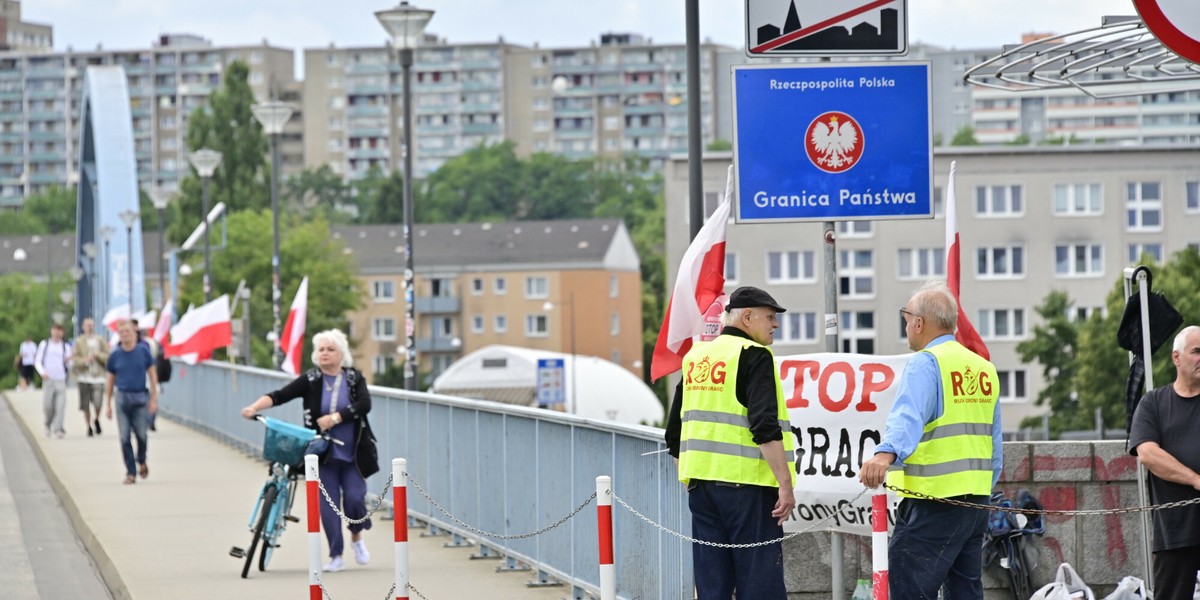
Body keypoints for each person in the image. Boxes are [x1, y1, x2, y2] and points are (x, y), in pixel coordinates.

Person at [858, 280, 1002, 599]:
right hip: (976, 501)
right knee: (965, 590)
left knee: (909, 588)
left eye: (906, 318)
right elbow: (995, 445)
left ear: (920, 323)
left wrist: (885, 454)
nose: (907, 325)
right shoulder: (983, 368)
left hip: (934, 502)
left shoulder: (926, 363)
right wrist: (984, 490)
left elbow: (907, 417)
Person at [663, 286, 796, 599]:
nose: (775, 324)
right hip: (747, 490)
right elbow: (764, 426)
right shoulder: (754, 356)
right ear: (746, 317)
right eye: (770, 317)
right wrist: (785, 485)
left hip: (701, 489)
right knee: (759, 584)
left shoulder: (696, 356)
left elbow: (674, 433)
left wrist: (690, 476)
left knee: (712, 586)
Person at [240, 329, 379, 573]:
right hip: (322, 455)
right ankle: (336, 554)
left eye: (330, 349)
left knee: (355, 499)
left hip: (353, 454)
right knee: (327, 506)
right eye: (321, 349)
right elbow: (281, 395)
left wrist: (337, 417)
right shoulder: (311, 379)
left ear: (341, 354)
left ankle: (356, 537)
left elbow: (364, 404)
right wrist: (253, 407)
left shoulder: (353, 378)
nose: (324, 353)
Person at [1129, 325, 1200, 600]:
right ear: (1176, 358)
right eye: (1196, 352)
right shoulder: (1153, 403)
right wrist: (1195, 480)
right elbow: (1148, 453)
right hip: (1175, 531)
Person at [105, 319, 158, 484]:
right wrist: (107, 403)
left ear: (134, 332)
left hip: (140, 397)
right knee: (124, 437)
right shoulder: (115, 355)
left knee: (142, 435)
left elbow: (152, 374)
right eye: (121, 332)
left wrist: (154, 399)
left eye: (127, 331)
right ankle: (131, 472)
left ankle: (141, 460)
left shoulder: (143, 352)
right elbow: (110, 379)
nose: (125, 334)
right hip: (122, 397)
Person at [72, 318, 110, 437]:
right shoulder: (79, 341)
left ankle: (97, 419)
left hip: (98, 376)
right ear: (83, 326)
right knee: (85, 404)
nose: (90, 327)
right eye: (87, 325)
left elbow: (108, 356)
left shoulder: (100, 340)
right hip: (84, 376)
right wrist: (85, 361)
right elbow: (75, 359)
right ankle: (88, 426)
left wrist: (97, 355)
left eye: (91, 325)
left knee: (98, 402)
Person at [35, 323, 72, 438]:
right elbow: (38, 361)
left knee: (60, 405)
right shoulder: (45, 345)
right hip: (49, 379)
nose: (57, 333)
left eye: (59, 330)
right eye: (55, 330)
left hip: (60, 378)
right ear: (51, 331)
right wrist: (42, 372)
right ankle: (48, 423)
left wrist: (69, 360)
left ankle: (58, 428)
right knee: (48, 405)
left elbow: (70, 364)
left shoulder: (65, 346)